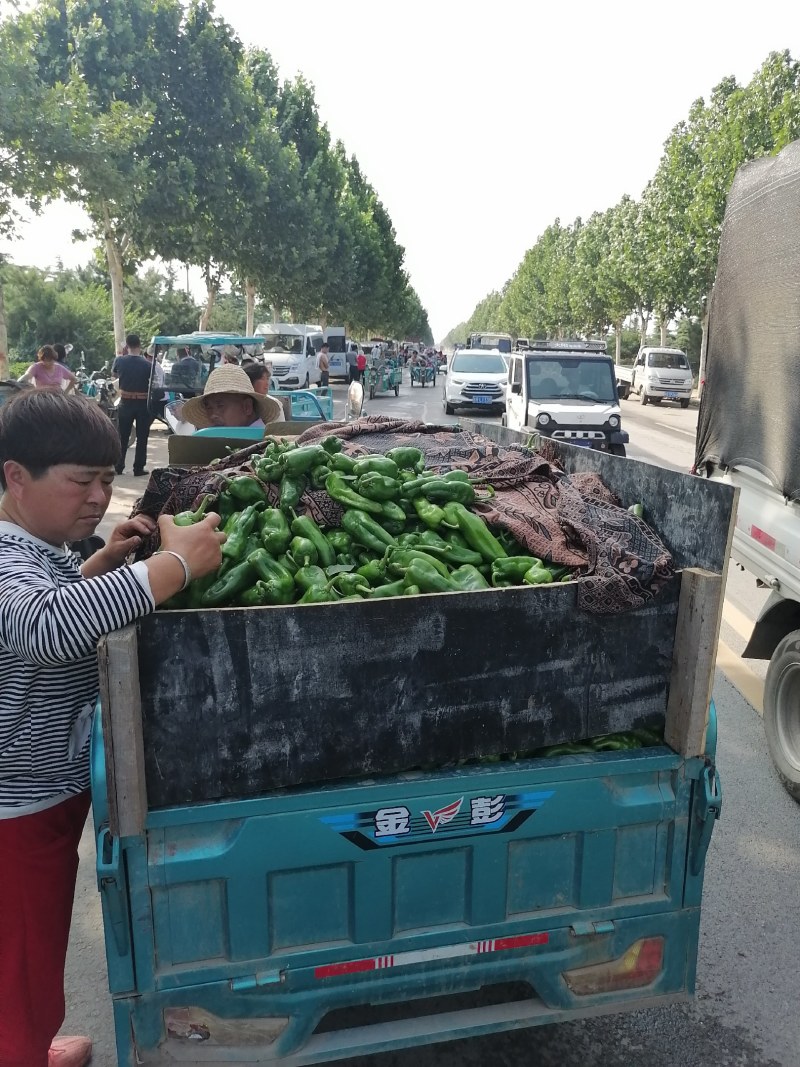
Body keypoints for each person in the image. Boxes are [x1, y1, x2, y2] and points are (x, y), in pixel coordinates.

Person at [0, 389, 225, 1067]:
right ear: (16, 477)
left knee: (35, 953)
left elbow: (59, 597)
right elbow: (44, 626)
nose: (100, 498)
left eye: (107, 480)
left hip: (46, 794)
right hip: (16, 810)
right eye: (81, 481)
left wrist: (106, 562)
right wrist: (172, 567)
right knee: (18, 965)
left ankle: (29, 1039)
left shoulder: (40, 548)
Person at [181, 364, 283, 430]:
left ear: (247, 407)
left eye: (220, 405)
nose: (213, 415)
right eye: (208, 407)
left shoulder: (266, 444)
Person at [112, 333, 154, 477]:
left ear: (127, 346)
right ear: (140, 345)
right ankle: (138, 468)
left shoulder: (119, 361)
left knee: (122, 436)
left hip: (125, 401)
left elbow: (114, 376)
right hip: (143, 403)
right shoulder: (148, 364)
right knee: (143, 437)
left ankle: (118, 466)